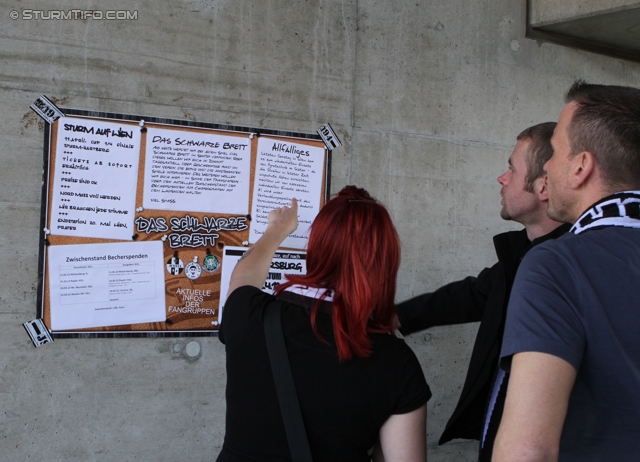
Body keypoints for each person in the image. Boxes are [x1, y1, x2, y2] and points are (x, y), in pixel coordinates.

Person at [217, 186, 431, 462]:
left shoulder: (251, 316)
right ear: (385, 264)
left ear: (315, 248)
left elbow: (243, 277)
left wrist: (277, 229)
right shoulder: (396, 362)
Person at [395, 122, 569, 459]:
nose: (501, 178)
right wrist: (392, 316)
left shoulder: (570, 267)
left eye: (511, 168)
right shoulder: (521, 258)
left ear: (543, 185)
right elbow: (469, 296)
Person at [493, 81, 640, 461]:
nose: (546, 167)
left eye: (555, 150)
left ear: (580, 167)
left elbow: (528, 451)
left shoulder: (557, 265)